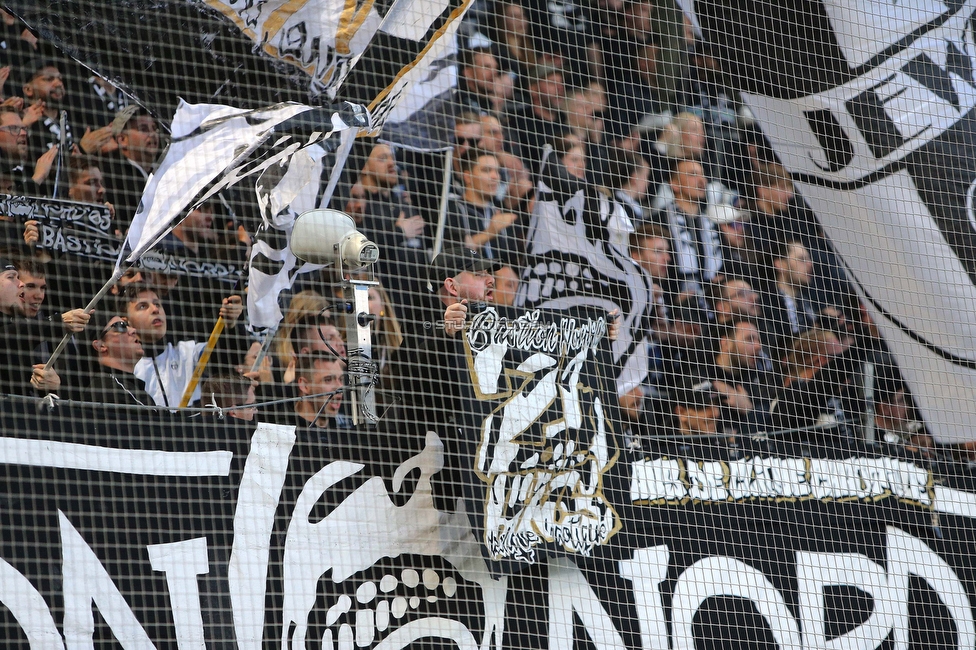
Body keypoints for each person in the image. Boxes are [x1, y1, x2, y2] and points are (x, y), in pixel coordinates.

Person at [120, 283, 245, 408]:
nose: (155, 309)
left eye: (157, 304)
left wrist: (231, 325)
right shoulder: (123, 365)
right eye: (142, 306)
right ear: (125, 321)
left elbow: (229, 356)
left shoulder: (188, 352)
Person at [444, 147, 521, 261]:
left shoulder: (501, 213)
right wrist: (490, 232)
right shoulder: (452, 209)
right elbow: (453, 254)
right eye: (486, 170)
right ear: (468, 177)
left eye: (497, 171)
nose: (495, 177)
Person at [86, 311, 154, 406]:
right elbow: (159, 420)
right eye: (121, 326)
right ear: (100, 346)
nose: (133, 330)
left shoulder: (125, 386)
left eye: (128, 325)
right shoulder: (110, 388)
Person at [293, 352, 348, 434]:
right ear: (304, 385)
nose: (339, 387)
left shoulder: (344, 430)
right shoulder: (284, 431)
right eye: (328, 380)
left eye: (341, 379)